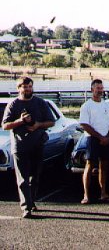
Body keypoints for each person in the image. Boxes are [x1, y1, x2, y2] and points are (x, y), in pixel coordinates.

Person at [2, 77, 55, 218]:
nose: (28, 89)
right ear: (19, 88)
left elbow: (51, 122)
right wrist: (20, 121)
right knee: (23, 179)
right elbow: (5, 125)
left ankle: (31, 201)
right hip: (20, 146)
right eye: (25, 87)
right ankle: (26, 208)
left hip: (37, 144)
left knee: (35, 177)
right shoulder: (13, 104)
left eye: (30, 86)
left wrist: (38, 125)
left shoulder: (40, 103)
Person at [78, 79, 109, 205]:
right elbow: (84, 124)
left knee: (104, 166)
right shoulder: (86, 106)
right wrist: (100, 137)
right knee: (89, 165)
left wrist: (107, 137)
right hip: (92, 139)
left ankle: (104, 193)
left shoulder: (107, 105)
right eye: (97, 88)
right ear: (92, 89)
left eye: (101, 88)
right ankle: (86, 195)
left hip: (106, 139)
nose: (100, 90)